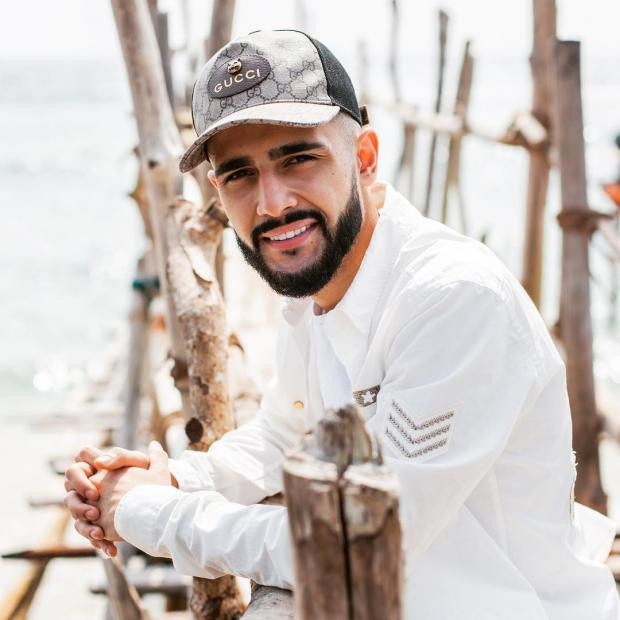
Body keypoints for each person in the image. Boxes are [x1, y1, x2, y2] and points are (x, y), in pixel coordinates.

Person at [64, 30, 619, 619]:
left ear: (364, 158)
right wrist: (174, 478)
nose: (273, 203)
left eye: (298, 159)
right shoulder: (318, 286)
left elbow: (362, 541)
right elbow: (284, 435)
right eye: (240, 175)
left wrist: (151, 513)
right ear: (217, 193)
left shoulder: (453, 298)